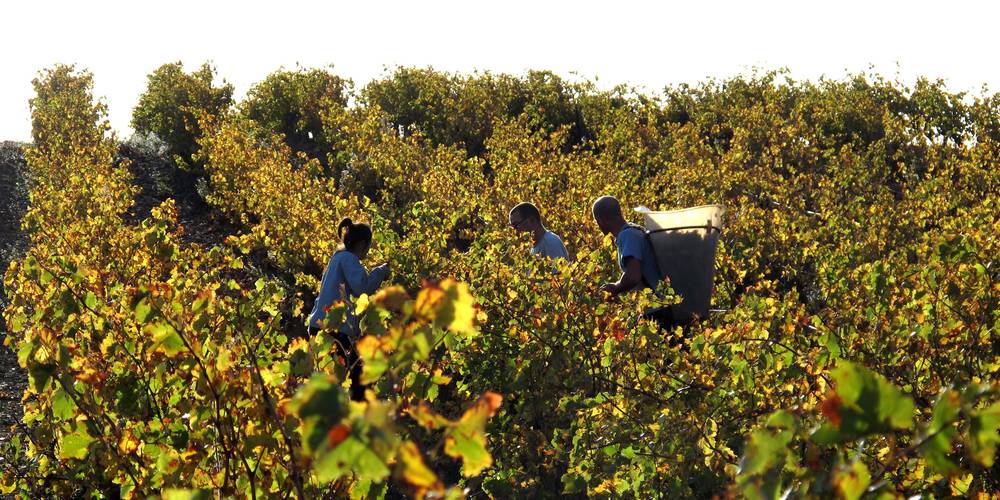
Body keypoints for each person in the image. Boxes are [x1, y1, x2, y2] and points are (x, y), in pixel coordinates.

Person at [307, 218, 389, 400]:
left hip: (319, 326)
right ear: (361, 244)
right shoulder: (349, 259)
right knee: (359, 381)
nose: (367, 252)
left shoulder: (337, 259)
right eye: (368, 247)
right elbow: (362, 288)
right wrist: (380, 272)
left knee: (327, 383)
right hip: (335, 331)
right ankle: (362, 419)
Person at [591, 196, 677, 331]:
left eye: (596, 221)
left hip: (658, 312)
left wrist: (615, 287)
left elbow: (633, 276)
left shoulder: (628, 236)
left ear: (601, 220)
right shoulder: (635, 230)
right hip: (663, 307)